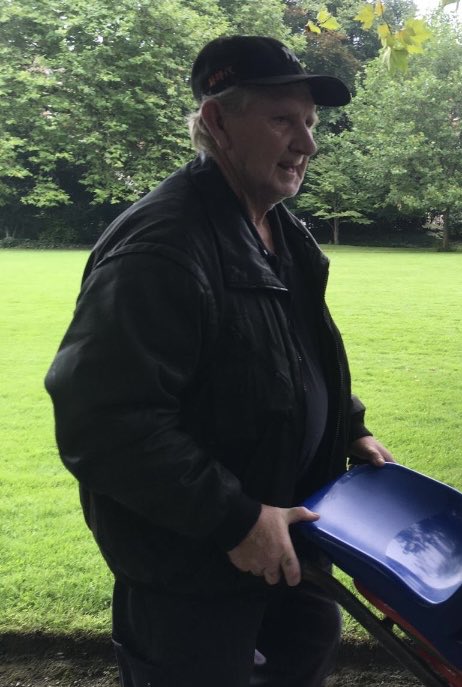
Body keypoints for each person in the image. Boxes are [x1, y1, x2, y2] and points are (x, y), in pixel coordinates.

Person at [44, 35, 393, 686]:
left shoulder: (281, 231)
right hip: (196, 583)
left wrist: (349, 428)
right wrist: (236, 519)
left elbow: (295, 354)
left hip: (290, 551)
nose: (307, 144)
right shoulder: (162, 249)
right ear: (217, 122)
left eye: (311, 124)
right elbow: (103, 420)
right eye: (283, 120)